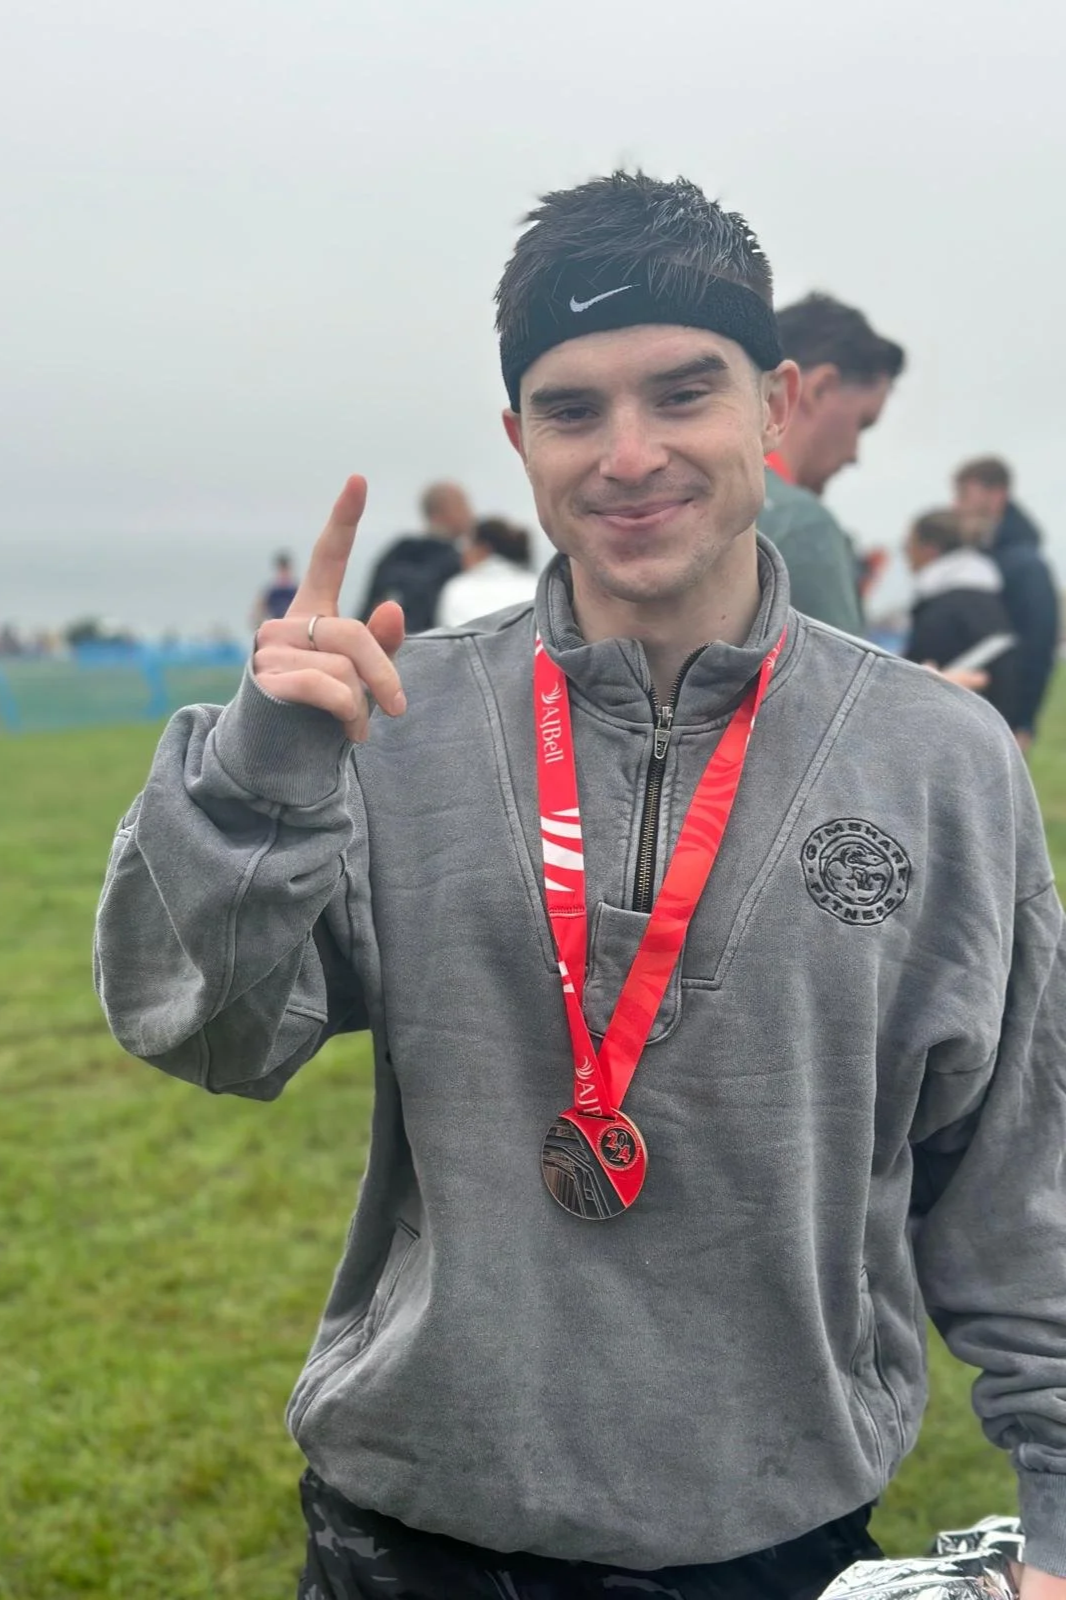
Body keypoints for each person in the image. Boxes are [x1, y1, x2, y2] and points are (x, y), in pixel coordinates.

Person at [94, 172, 1066, 1600]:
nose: (628, 455)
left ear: (775, 406)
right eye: (571, 409)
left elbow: (1016, 1177)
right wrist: (256, 783)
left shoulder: (939, 763)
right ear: (515, 438)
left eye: (683, 392)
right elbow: (208, 1037)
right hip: (412, 1525)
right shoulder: (393, 727)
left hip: (764, 1532)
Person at [759, 293, 905, 635]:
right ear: (820, 389)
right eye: (862, 423)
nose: (855, 454)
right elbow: (847, 687)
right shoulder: (803, 525)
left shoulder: (687, 502)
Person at [953, 456, 1059, 750]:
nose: (957, 507)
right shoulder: (984, 557)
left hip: (1004, 723)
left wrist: (1023, 723)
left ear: (996, 496)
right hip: (976, 713)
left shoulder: (1026, 565)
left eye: (964, 496)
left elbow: (1038, 645)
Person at [903, 508, 1018, 724]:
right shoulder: (984, 595)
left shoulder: (943, 607)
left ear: (930, 550)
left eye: (908, 545)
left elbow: (916, 682)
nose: (906, 555)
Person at [358, 480, 473, 633]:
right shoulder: (456, 562)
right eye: (463, 506)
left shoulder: (397, 552)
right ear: (441, 511)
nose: (470, 514)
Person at [435, 517, 538, 627]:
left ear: (482, 549)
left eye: (467, 545)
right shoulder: (537, 585)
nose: (462, 553)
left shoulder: (458, 588)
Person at [252, 551, 299, 627]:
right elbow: (258, 612)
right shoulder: (270, 592)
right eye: (281, 569)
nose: (283, 573)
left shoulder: (297, 591)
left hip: (292, 626)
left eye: (285, 569)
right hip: (275, 626)